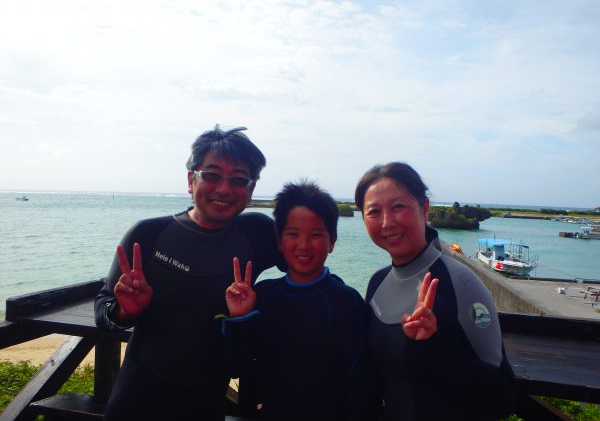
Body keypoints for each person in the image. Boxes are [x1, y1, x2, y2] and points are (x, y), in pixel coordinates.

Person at [94, 125, 285, 421]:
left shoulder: (258, 234)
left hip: (206, 407)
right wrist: (124, 311)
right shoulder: (148, 235)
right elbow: (104, 313)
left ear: (251, 190)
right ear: (190, 179)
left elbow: (303, 265)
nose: (224, 189)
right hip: (135, 403)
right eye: (212, 175)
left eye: (238, 180)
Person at [354, 162, 516, 421]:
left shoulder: (461, 282)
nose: (387, 222)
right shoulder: (377, 282)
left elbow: (503, 398)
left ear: (425, 208)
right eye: (373, 212)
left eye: (398, 207)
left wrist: (433, 345)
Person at [223, 181, 370, 421]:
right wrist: (240, 318)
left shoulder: (347, 302)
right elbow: (236, 367)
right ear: (279, 241)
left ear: (332, 241)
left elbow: (362, 381)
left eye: (316, 235)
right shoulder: (263, 296)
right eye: (293, 234)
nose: (304, 245)